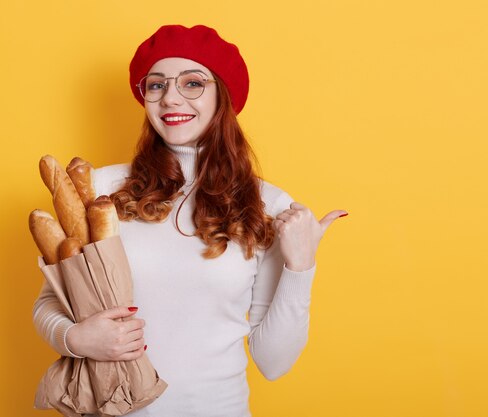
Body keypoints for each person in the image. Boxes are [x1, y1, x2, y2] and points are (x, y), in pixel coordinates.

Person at [32, 24, 347, 417]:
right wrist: (76, 338)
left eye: (193, 83)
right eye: (157, 85)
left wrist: (301, 266)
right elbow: (49, 304)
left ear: (222, 97)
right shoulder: (101, 189)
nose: (171, 98)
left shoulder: (268, 204)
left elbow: (273, 361)